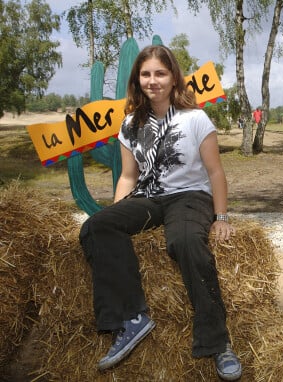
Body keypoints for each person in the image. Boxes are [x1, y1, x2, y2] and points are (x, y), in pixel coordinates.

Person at [79, 45, 242, 381]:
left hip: (190, 196)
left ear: (173, 78)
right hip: (150, 198)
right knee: (97, 226)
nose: (152, 81)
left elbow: (215, 173)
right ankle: (131, 319)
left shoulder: (195, 118)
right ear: (137, 80)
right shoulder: (129, 124)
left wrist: (221, 216)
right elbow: (128, 176)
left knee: (185, 242)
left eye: (160, 73)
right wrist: (116, 217)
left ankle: (218, 341)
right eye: (146, 74)